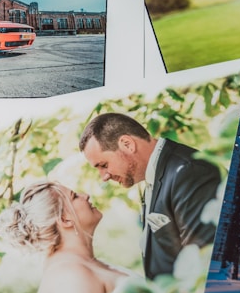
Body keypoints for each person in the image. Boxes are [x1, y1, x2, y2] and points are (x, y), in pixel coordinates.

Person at [0, 181, 136, 293]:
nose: (86, 195)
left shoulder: (83, 265)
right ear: (65, 219)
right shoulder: (68, 277)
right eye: (75, 196)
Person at [79, 113, 221, 279]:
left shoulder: (189, 172)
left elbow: (205, 260)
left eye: (104, 165)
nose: (104, 176)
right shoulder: (153, 177)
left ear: (127, 144)